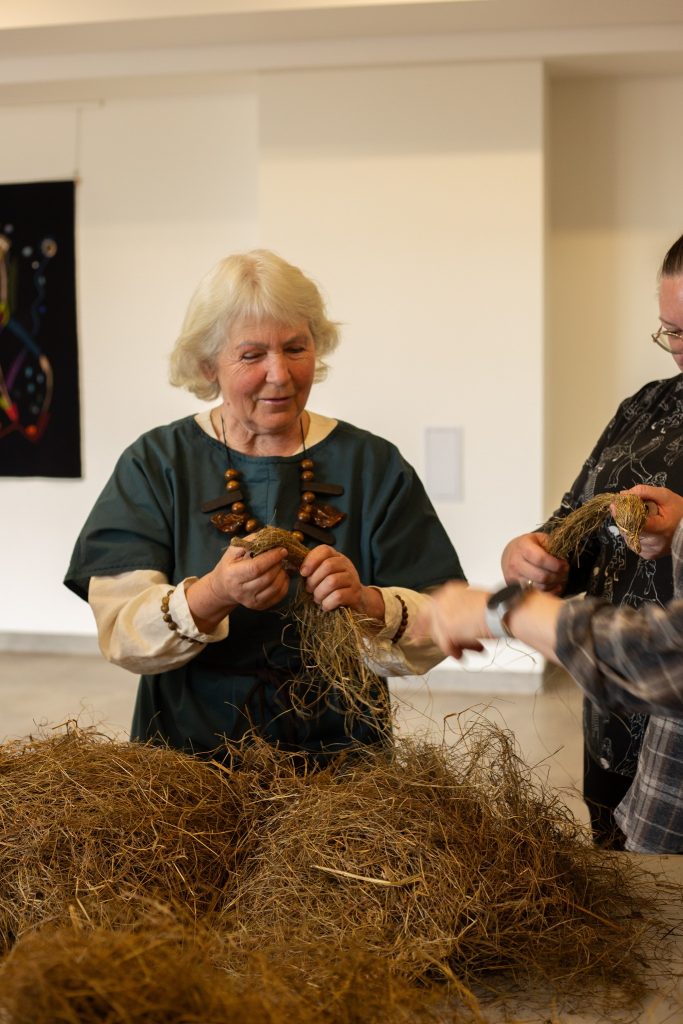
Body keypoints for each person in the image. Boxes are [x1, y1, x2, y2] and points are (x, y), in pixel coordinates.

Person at [64, 249, 464, 763]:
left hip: (342, 771)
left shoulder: (372, 464)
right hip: (185, 770)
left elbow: (444, 617)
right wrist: (212, 595)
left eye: (295, 348)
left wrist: (365, 603)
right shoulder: (158, 463)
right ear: (209, 364)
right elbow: (120, 630)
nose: (280, 374)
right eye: (252, 356)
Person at [499, 231, 683, 848]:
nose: (682, 351)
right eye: (673, 331)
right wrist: (538, 557)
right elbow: (574, 517)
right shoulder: (645, 408)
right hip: (614, 714)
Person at [414, 483, 683, 853]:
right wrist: (529, 556)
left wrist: (505, 609)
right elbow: (576, 522)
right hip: (625, 755)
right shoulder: (632, 421)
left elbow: (666, 661)